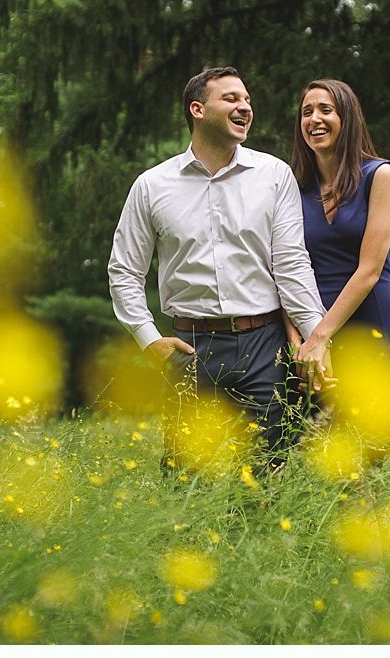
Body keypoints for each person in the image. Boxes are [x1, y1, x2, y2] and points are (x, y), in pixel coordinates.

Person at [108, 66, 331, 456]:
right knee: (189, 480)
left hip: (266, 346)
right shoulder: (151, 186)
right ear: (197, 109)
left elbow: (292, 265)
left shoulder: (274, 175)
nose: (244, 106)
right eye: (231, 98)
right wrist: (149, 341)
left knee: (269, 471)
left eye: (247, 100)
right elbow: (124, 270)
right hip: (190, 348)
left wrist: (317, 338)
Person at [287, 78, 390, 373]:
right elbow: (283, 268)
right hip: (313, 319)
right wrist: (299, 337)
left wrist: (320, 336)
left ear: (346, 118)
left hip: (371, 313)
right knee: (319, 418)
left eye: (325, 109)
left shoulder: (380, 175)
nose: (314, 119)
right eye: (306, 112)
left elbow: (370, 269)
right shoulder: (293, 188)